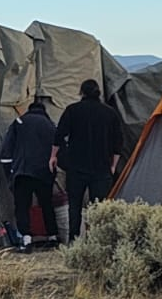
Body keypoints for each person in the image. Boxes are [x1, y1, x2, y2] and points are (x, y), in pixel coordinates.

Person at [51, 79, 124, 243]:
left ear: (81, 93)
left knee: (75, 206)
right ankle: (96, 241)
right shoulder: (110, 113)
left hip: (76, 167)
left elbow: (59, 135)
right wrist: (113, 165)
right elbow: (118, 143)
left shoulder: (72, 110)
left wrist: (54, 156)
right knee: (98, 208)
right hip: (102, 167)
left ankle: (73, 241)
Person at [0, 99, 58, 252]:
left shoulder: (19, 122)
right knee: (46, 204)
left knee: (22, 206)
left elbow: (6, 150)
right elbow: (59, 148)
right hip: (45, 172)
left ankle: (26, 239)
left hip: (23, 172)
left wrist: (9, 173)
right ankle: (53, 236)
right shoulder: (50, 125)